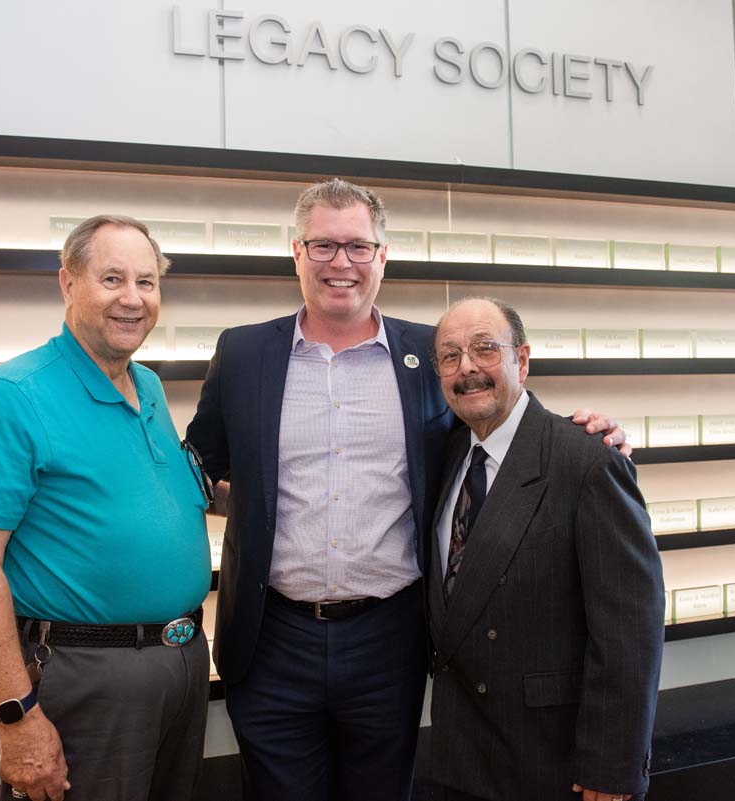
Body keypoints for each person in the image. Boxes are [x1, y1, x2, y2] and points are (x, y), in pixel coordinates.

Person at [185, 178, 628, 801]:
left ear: (382, 257)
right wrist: (248, 500)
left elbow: (501, 420)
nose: (342, 263)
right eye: (324, 246)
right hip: (271, 638)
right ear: (296, 252)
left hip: (389, 638)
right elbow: (198, 470)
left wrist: (587, 434)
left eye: (359, 247)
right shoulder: (244, 350)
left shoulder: (431, 351)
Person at [0, 215, 213, 801]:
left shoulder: (150, 388)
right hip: (86, 676)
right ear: (67, 283)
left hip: (182, 665)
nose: (132, 299)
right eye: (112, 279)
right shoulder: (9, 397)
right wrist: (17, 717)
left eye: (147, 282)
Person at [425, 297, 665, 801]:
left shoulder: (587, 462)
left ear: (523, 359)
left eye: (485, 349)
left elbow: (629, 628)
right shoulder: (446, 457)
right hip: (459, 755)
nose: (467, 367)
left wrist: (613, 764)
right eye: (450, 355)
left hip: (552, 763)